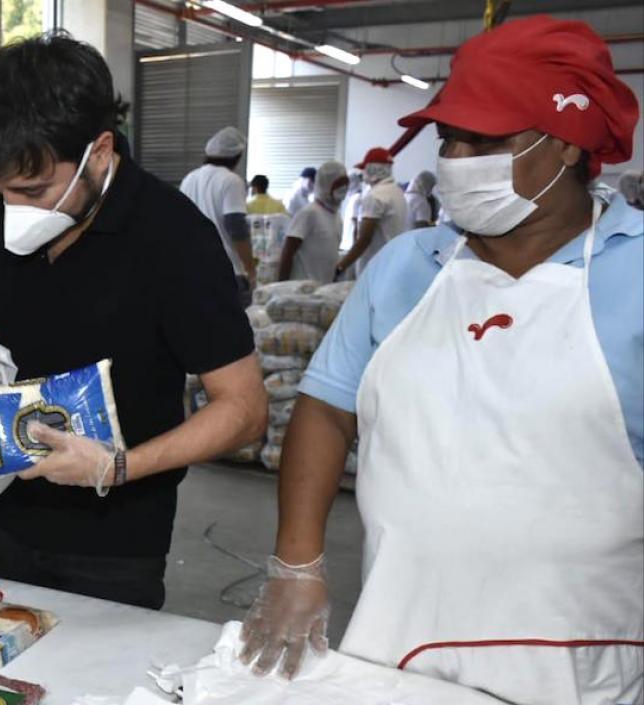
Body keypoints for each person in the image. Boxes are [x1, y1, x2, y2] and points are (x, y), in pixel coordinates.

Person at [239, 17, 642, 704]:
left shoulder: (633, 274)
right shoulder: (406, 266)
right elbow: (327, 408)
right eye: (449, 136)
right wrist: (297, 564)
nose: (456, 155)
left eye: (484, 138)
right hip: (399, 639)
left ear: (568, 145)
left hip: (580, 661)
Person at [0, 33, 266, 610]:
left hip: (117, 541)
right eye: (2, 193)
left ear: (98, 153)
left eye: (34, 191)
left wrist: (116, 467)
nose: (15, 209)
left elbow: (244, 410)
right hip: (7, 516)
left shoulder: (173, 239)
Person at [180, 126, 257, 297]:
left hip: (192, 270)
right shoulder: (231, 181)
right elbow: (235, 225)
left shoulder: (189, 179)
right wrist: (250, 268)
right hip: (225, 272)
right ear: (237, 157)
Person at [335, 147, 407, 277]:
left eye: (364, 169)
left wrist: (340, 267)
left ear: (372, 169)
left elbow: (364, 239)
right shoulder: (397, 192)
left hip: (375, 267)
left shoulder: (375, 196)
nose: (363, 174)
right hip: (392, 263)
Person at [278, 161, 347, 283]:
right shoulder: (309, 213)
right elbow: (288, 252)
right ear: (326, 185)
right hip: (302, 289)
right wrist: (282, 286)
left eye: (345, 185)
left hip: (323, 290)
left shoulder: (336, 217)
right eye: (338, 185)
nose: (343, 190)